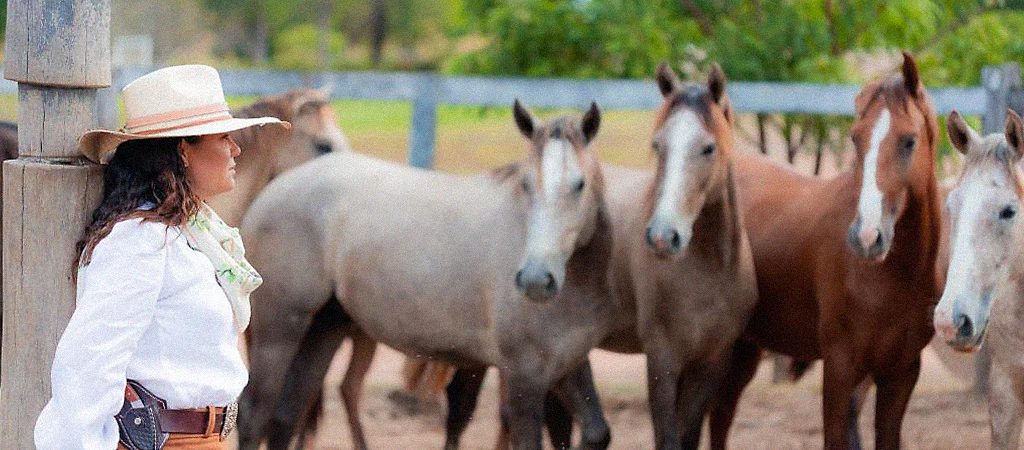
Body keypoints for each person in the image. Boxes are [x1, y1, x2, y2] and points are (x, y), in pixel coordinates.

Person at [33, 65, 289, 450]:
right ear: (184, 151)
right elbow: (88, 366)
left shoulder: (195, 234)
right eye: (224, 138)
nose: (236, 149)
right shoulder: (140, 240)